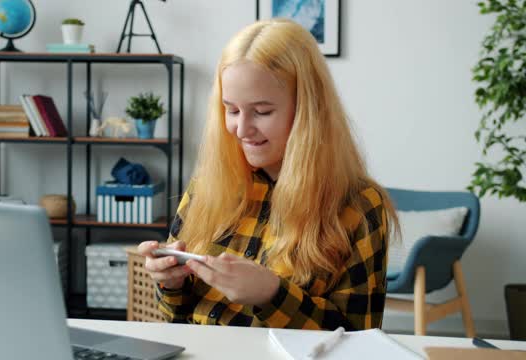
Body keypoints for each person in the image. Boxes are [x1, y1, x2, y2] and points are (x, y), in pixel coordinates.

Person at [138, 18, 399, 330]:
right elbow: (175, 319)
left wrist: (271, 295)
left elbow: (357, 341)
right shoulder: (206, 188)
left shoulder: (358, 205)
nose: (242, 129)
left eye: (262, 112)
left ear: (308, 110)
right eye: (231, 110)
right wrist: (170, 282)